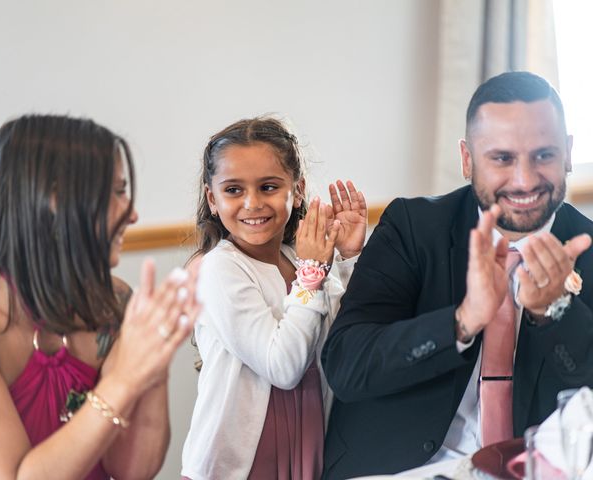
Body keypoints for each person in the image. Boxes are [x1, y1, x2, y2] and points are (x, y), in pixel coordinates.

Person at [321, 71, 593, 478]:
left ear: (568, 153)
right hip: (401, 470)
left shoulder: (586, 245)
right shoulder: (413, 227)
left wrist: (552, 312)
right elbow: (347, 365)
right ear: (467, 160)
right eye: (502, 158)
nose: (524, 179)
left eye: (544, 155)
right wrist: (461, 322)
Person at [0, 114, 200, 479]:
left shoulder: (112, 303)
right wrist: (125, 380)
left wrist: (154, 362)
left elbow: (133, 470)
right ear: (54, 197)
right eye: (116, 192)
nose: (132, 214)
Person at [180, 117, 367, 480]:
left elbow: (344, 341)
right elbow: (283, 367)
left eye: (268, 186)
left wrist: (347, 259)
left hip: (307, 445)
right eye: (233, 190)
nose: (252, 203)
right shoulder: (219, 268)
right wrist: (313, 270)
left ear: (297, 191)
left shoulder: (298, 259)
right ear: (211, 199)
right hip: (236, 467)